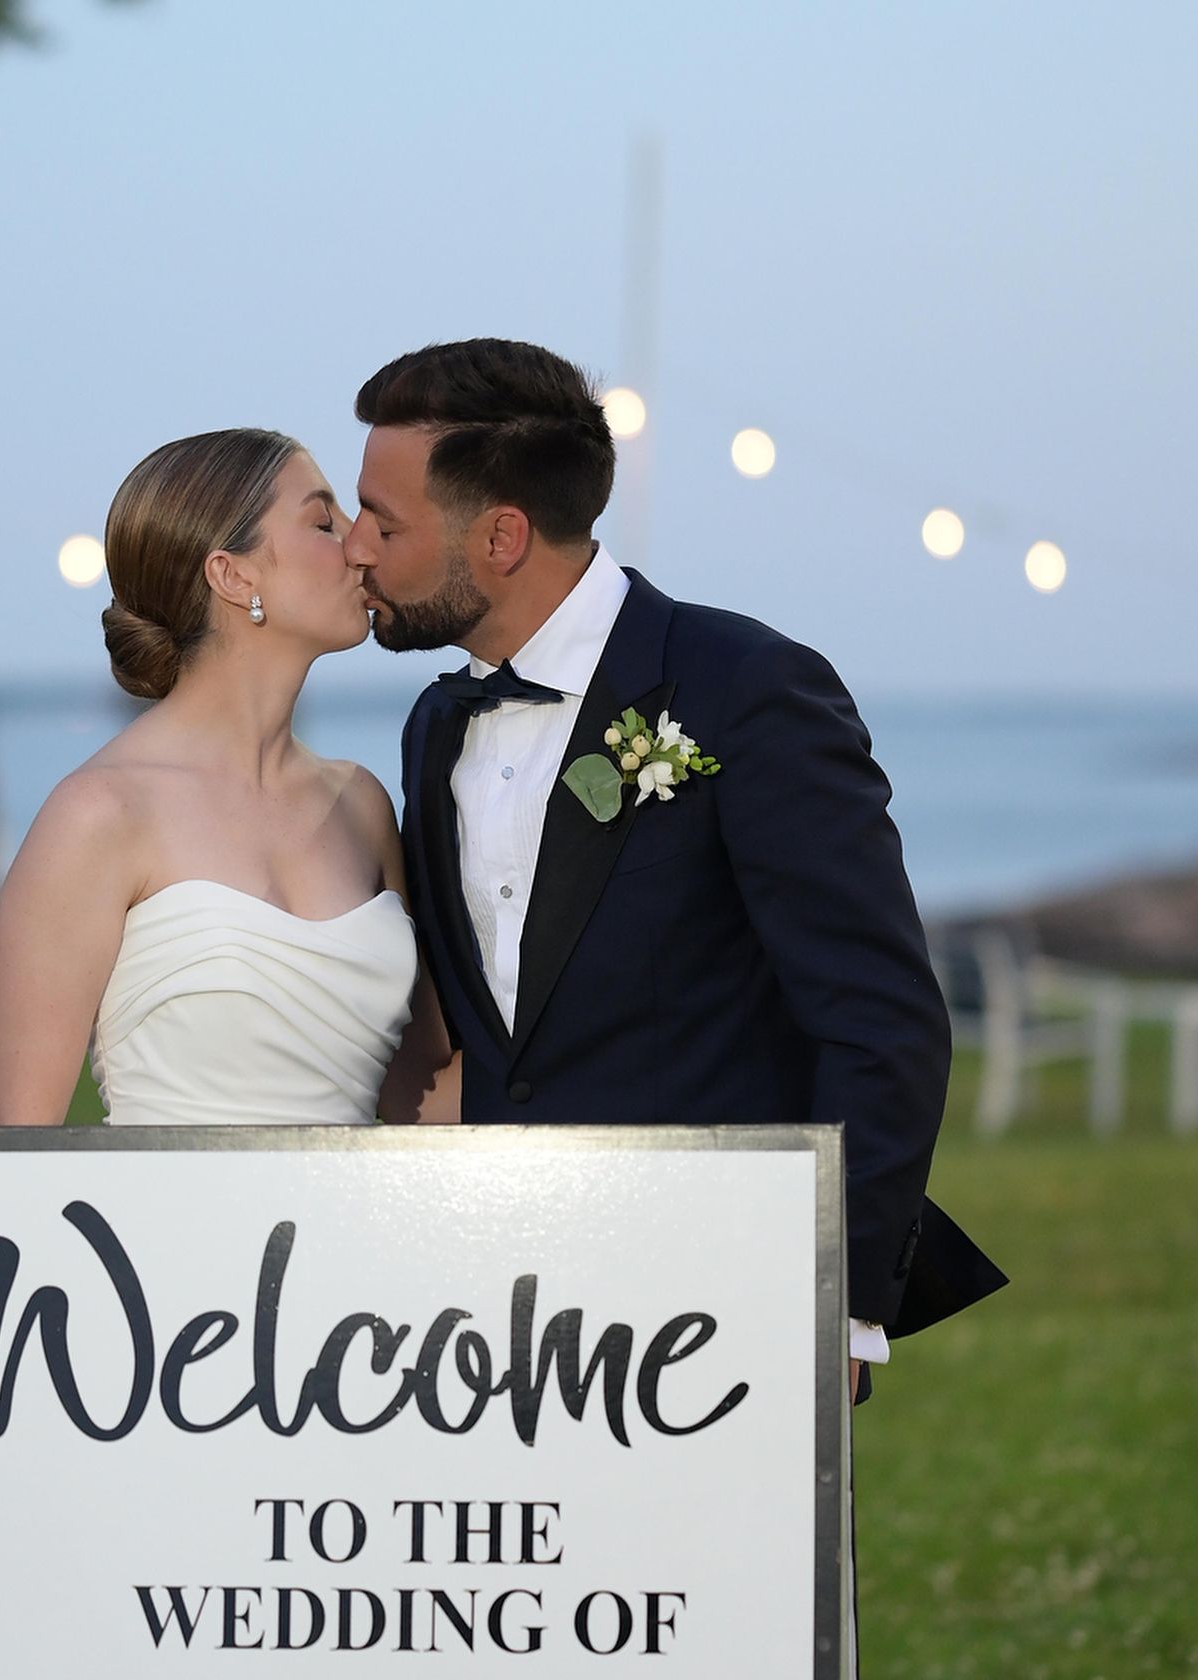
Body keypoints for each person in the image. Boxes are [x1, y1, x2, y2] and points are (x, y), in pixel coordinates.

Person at [348, 336, 1006, 1675]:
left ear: (504, 536)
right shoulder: (432, 728)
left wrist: (839, 1310)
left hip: (717, 1321)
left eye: (383, 518)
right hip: (493, 1327)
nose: (357, 547)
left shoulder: (745, 690)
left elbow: (881, 1018)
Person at [0, 428, 458, 1129]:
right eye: (323, 522)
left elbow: (419, 1095)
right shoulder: (99, 814)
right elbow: (13, 1149)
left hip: (358, 1231)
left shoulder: (360, 803)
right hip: (168, 1231)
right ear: (233, 576)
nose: (361, 544)